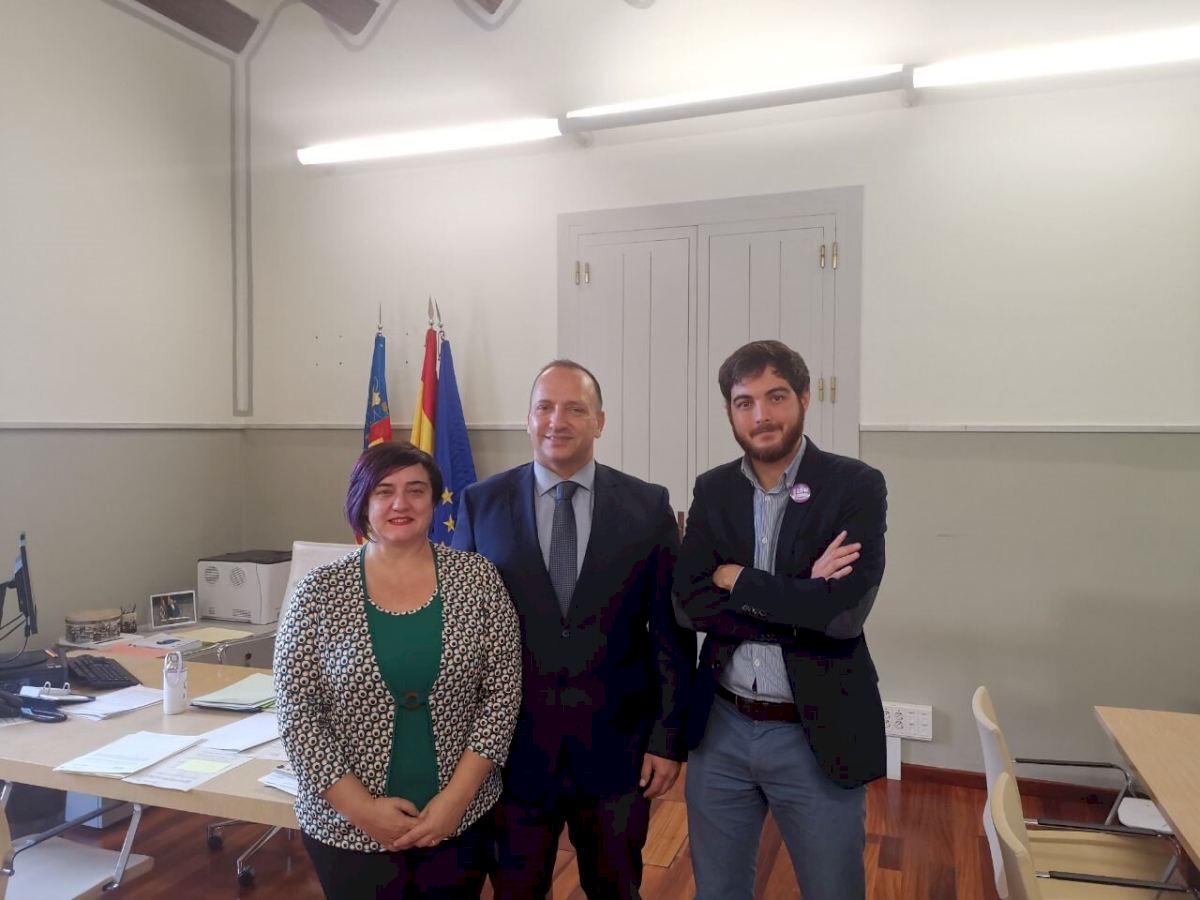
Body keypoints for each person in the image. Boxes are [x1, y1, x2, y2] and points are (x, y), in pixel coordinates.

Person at [453, 360, 694, 900]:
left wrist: (667, 739)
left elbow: (670, 634)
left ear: (599, 421)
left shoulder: (648, 506)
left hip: (618, 752)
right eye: (544, 407)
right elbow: (461, 633)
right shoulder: (481, 503)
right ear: (528, 419)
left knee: (616, 889)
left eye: (575, 409)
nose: (557, 421)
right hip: (511, 754)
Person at [676, 340, 888, 900]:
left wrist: (739, 580)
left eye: (776, 397)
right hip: (721, 727)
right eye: (744, 402)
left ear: (805, 398)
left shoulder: (856, 485)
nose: (761, 415)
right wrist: (802, 594)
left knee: (833, 890)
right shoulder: (713, 489)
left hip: (815, 730)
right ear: (730, 412)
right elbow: (689, 604)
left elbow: (841, 616)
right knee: (717, 891)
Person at [274, 441, 522, 900]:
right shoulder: (318, 592)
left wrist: (454, 802)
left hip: (459, 822)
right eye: (384, 491)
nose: (400, 503)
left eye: (416, 490)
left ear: (435, 500)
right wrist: (362, 811)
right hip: (346, 830)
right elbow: (297, 713)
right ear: (362, 502)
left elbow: (502, 697)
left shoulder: (479, 580)